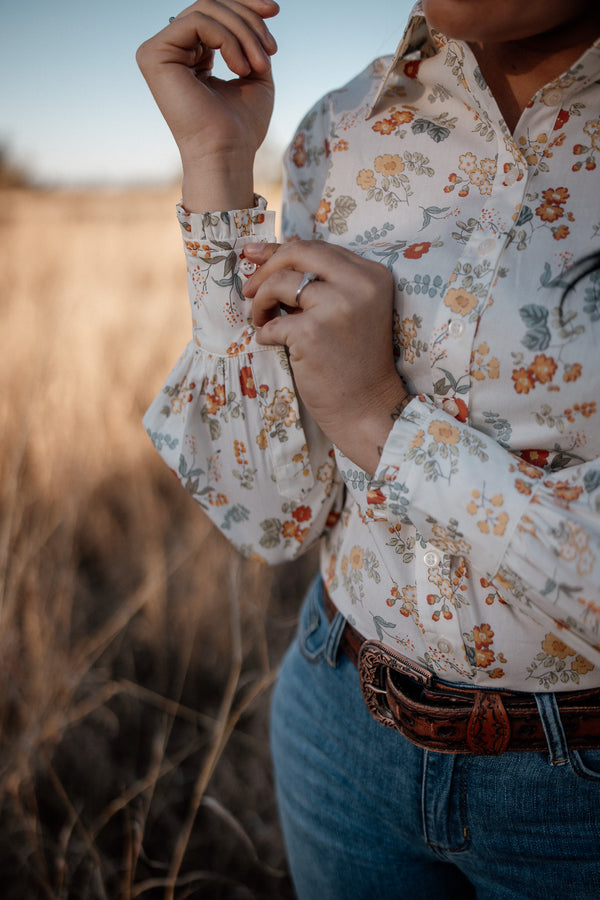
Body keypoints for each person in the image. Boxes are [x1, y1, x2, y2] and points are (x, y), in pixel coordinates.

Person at [137, 1, 600, 896]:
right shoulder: (345, 129)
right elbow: (271, 516)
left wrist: (380, 425)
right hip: (339, 731)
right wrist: (217, 164)